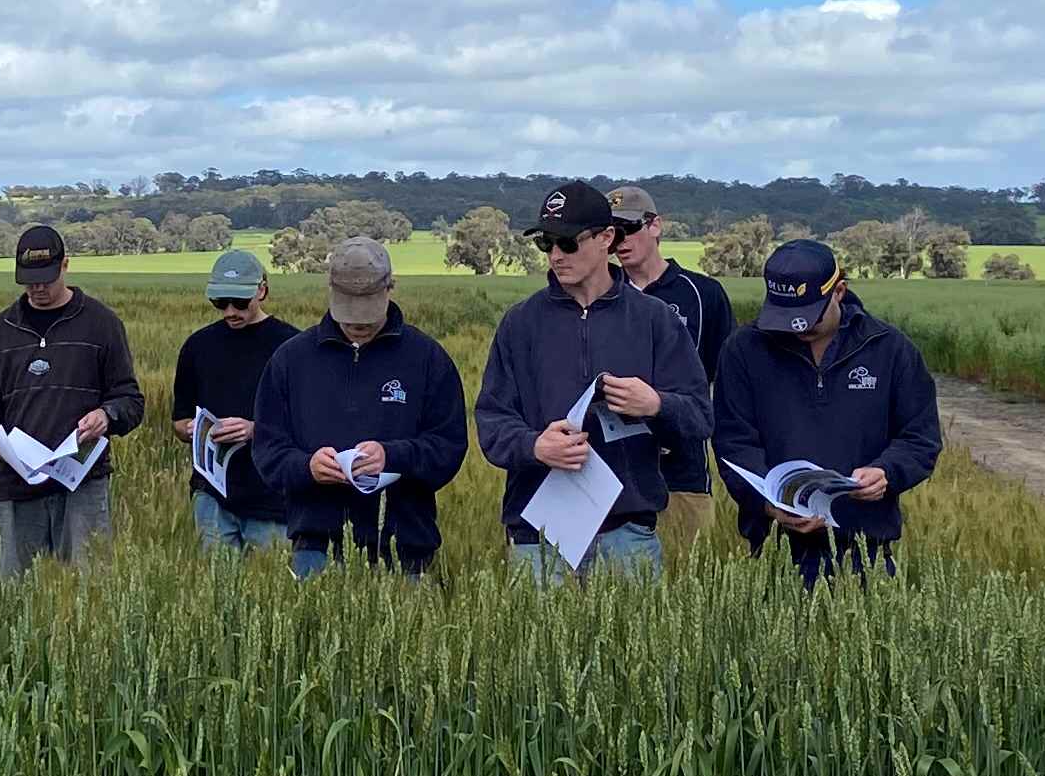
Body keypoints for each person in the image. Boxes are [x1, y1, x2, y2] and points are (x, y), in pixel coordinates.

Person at [473, 182, 713, 584]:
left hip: (627, 535)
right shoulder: (521, 323)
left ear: (606, 238)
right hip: (538, 539)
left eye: (566, 242)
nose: (554, 255)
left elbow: (700, 417)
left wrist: (655, 405)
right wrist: (535, 446)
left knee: (634, 649)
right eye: (545, 243)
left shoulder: (654, 320)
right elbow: (492, 422)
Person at [711, 239, 941, 582]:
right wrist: (768, 503)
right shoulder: (743, 351)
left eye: (808, 317)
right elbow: (733, 441)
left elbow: (920, 438)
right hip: (776, 550)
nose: (797, 329)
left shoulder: (890, 350)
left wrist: (887, 473)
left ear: (839, 291)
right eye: (786, 317)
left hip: (867, 550)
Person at [251, 238, 470, 578]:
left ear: (390, 289)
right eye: (348, 306)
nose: (358, 321)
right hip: (316, 550)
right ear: (330, 290)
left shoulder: (427, 359)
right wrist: (308, 466)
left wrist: (392, 456)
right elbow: (267, 452)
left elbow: (449, 448)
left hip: (406, 552)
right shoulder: (291, 360)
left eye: (367, 306)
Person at [0, 221, 144, 577]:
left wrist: (106, 416)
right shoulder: (1, 330)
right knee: (17, 599)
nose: (37, 288)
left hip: (82, 483)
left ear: (65, 265)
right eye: (29, 280)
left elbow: (130, 400)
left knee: (89, 593)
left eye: (46, 278)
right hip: (15, 485)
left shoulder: (102, 324)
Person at [609, 186, 729, 534]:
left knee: (686, 579)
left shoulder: (704, 294)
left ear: (655, 226)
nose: (620, 241)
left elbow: (721, 384)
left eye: (629, 229)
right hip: (614, 475)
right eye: (612, 233)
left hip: (683, 473)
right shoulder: (600, 295)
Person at [171, 248, 297, 558]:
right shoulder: (197, 346)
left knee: (273, 596)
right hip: (211, 497)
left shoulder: (292, 347)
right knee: (215, 595)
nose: (230, 312)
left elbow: (311, 424)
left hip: (272, 498)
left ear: (262, 291)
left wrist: (256, 430)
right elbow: (179, 419)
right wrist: (192, 430)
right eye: (220, 302)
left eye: (239, 302)